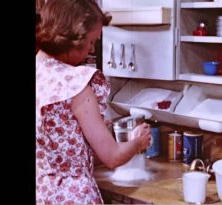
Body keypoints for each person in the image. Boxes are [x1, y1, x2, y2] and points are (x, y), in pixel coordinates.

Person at [36, 0, 151, 204]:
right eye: (90, 43)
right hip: (73, 197)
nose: (90, 50)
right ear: (73, 39)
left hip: (43, 193)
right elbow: (113, 157)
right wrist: (137, 143)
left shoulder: (40, 74)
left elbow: (61, 147)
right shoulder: (76, 85)